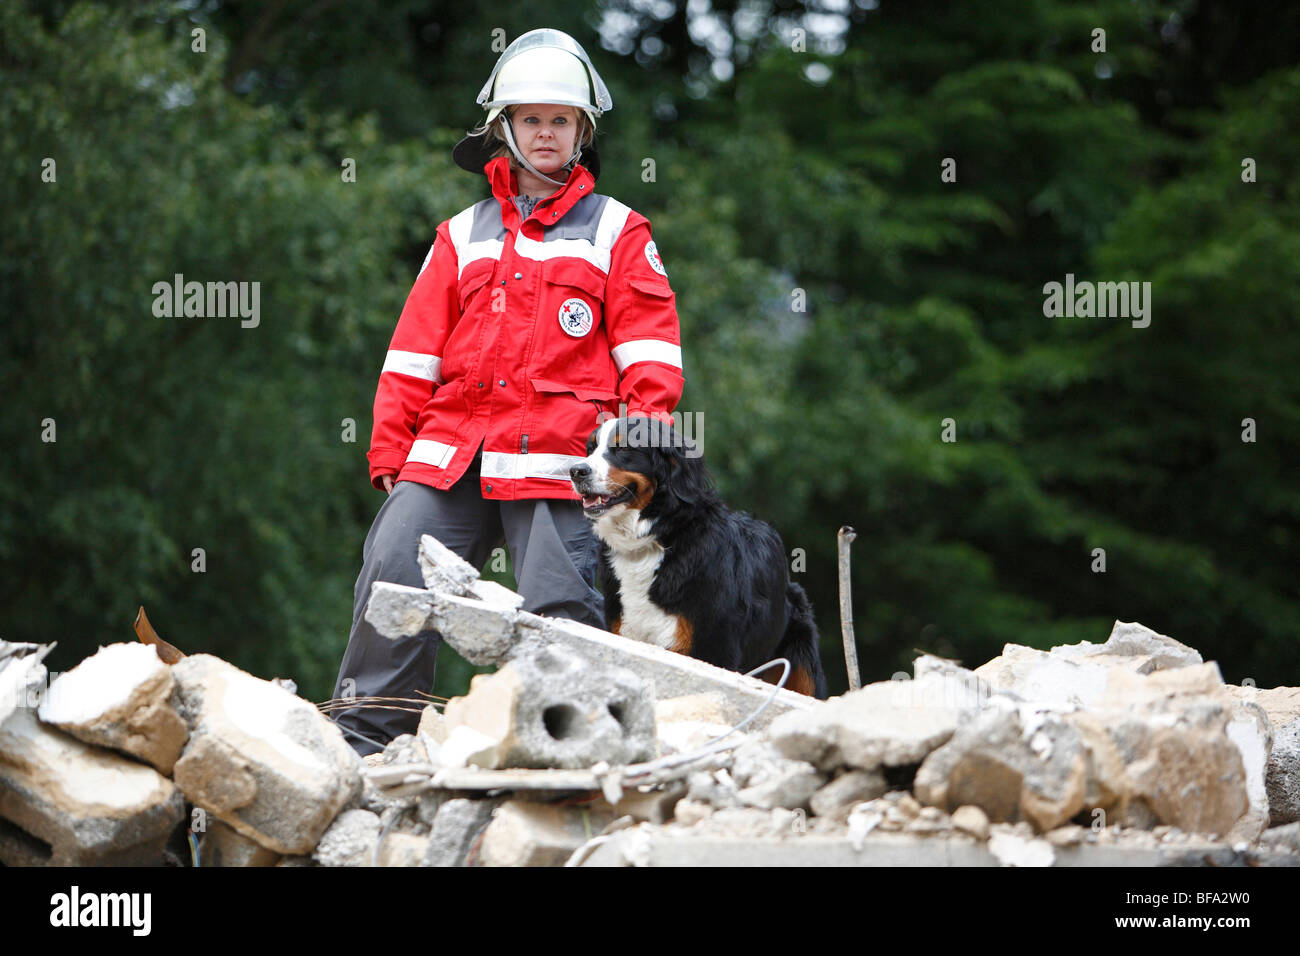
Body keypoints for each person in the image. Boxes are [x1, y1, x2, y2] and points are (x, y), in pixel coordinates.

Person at [331, 28, 685, 757]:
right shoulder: (460, 234)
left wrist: (631, 468)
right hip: (450, 451)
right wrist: (392, 451)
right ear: (505, 128)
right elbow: (411, 354)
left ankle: (569, 753)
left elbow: (652, 366)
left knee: (561, 613)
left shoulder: (619, 231)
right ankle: (364, 748)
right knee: (392, 579)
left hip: (563, 461)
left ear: (583, 130)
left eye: (561, 119)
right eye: (531, 118)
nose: (546, 132)